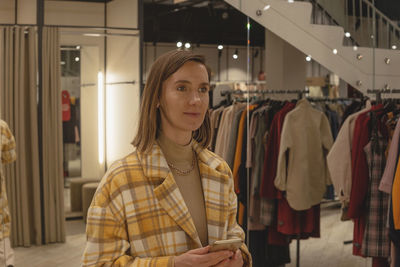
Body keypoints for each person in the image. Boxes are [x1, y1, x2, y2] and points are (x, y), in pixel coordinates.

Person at [82, 50, 252, 267]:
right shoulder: (121, 179)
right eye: (182, 88)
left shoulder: (218, 170)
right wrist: (171, 264)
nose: (196, 100)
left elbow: (234, 235)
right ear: (157, 98)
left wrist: (238, 259)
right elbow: (97, 263)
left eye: (203, 89)